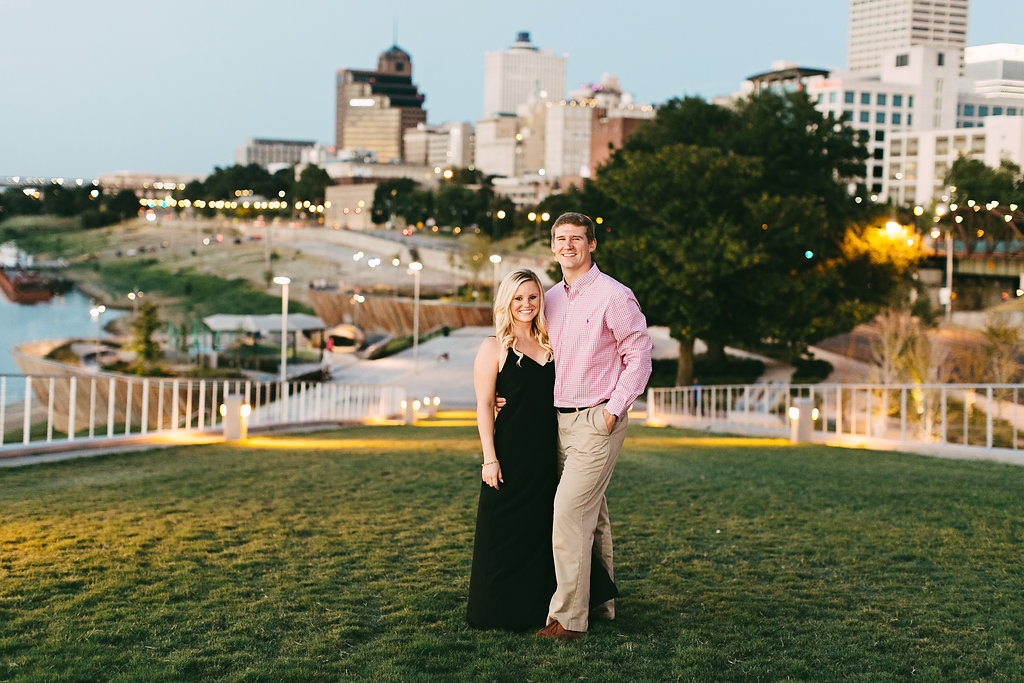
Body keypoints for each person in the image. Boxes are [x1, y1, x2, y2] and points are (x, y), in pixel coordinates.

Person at [466, 269, 615, 631]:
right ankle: (500, 610)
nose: (526, 304)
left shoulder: (553, 343)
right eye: (518, 298)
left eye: (533, 297)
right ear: (507, 301)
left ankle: (548, 605)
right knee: (505, 531)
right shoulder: (494, 347)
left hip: (550, 453)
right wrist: (490, 458)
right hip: (510, 454)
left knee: (545, 532)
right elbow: (485, 405)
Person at [536, 212, 652, 642]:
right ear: (552, 247)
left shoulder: (614, 296)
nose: (568, 246)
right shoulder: (551, 299)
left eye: (577, 239)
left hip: (598, 418)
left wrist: (612, 412)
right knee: (595, 517)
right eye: (560, 239)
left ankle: (569, 620)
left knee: (568, 514)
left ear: (592, 245)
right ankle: (602, 605)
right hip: (559, 421)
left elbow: (639, 357)